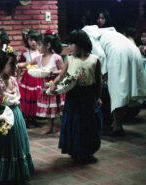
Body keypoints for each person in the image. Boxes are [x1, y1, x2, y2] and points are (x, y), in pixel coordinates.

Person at [0, 46, 34, 185]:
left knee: (15, 145)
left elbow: (17, 100)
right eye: (11, 64)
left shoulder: (14, 81)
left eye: (15, 64)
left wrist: (21, 118)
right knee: (2, 146)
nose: (15, 67)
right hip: (2, 117)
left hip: (16, 117)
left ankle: (16, 174)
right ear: (1, 65)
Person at [83, 25, 146, 136]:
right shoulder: (108, 32)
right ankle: (117, 123)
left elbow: (100, 56)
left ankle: (117, 126)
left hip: (118, 53)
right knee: (125, 89)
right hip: (133, 50)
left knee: (118, 91)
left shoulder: (88, 35)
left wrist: (104, 73)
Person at [50, 29, 102, 163]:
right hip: (73, 95)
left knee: (87, 124)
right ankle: (75, 150)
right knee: (74, 123)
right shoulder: (69, 59)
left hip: (88, 96)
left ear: (81, 44)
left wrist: (98, 97)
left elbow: (98, 81)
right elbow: (62, 75)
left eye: (72, 44)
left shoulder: (94, 60)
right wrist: (54, 84)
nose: (69, 47)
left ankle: (87, 151)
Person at [18, 30, 64, 135]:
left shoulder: (56, 57)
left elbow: (63, 71)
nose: (38, 48)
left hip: (56, 86)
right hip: (45, 87)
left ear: (47, 45)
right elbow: (27, 64)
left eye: (39, 45)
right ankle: (50, 127)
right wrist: (18, 65)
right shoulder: (38, 58)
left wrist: (53, 72)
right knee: (48, 107)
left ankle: (62, 129)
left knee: (60, 108)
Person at [17, 29, 42, 128]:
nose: (33, 42)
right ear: (27, 41)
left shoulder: (41, 52)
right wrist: (18, 77)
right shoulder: (25, 53)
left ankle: (34, 118)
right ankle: (27, 119)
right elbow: (19, 65)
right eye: (31, 40)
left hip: (38, 78)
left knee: (37, 97)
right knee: (28, 97)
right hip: (28, 79)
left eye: (35, 40)